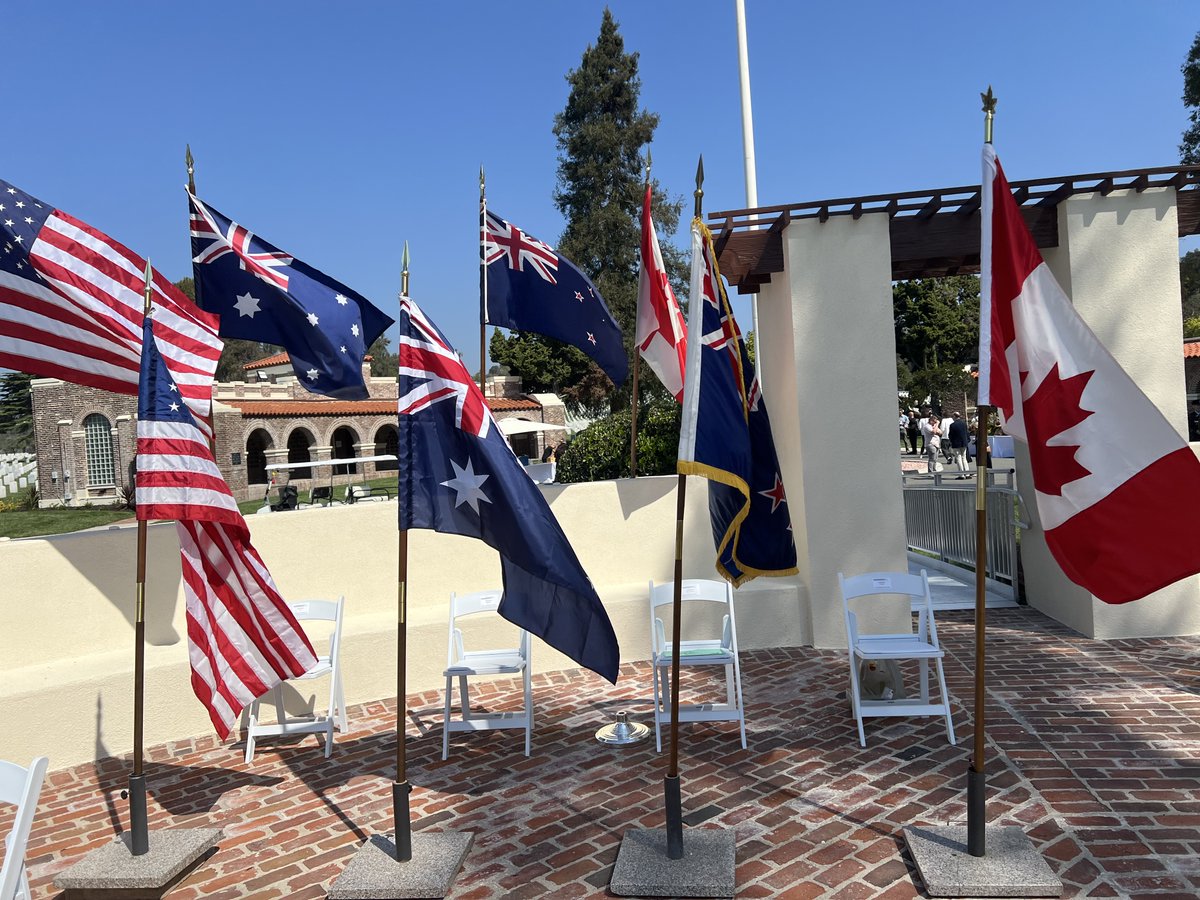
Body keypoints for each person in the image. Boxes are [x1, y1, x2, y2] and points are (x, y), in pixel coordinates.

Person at [948, 412, 971, 477]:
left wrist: (951, 441)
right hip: (964, 442)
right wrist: (967, 440)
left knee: (958, 458)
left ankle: (961, 474)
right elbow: (967, 432)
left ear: (955, 416)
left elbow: (950, 435)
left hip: (956, 443)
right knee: (964, 458)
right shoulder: (964, 423)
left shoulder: (952, 425)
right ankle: (967, 473)